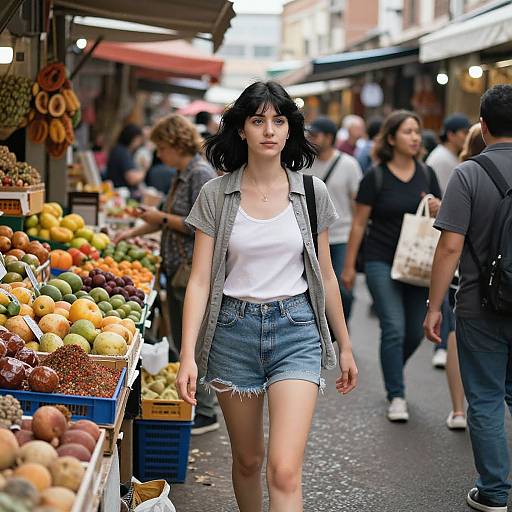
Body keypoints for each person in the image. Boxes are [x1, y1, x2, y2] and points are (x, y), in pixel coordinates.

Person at [176, 81, 358, 511]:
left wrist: (344, 345)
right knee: (247, 460)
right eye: (258, 121)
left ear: (290, 130)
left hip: (297, 331)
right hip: (232, 333)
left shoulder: (312, 193)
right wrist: (187, 354)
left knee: (283, 469)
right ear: (241, 129)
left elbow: (327, 276)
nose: (269, 130)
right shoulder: (215, 195)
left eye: (279, 121)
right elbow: (199, 279)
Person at [424, 84, 512, 512]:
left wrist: (435, 306)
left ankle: (494, 491)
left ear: (482, 124)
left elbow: (449, 248)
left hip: (479, 303)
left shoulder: (468, 174)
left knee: (486, 397)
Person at [114, 114, 219, 435]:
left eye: (161, 147)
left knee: (197, 341)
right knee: (182, 337)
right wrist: (128, 234)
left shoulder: (200, 175)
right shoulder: (180, 174)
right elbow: (163, 218)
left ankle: (206, 410)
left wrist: (158, 217)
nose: (158, 154)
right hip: (176, 270)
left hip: (192, 272)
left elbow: (199, 224)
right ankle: (196, 402)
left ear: (175, 144)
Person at [341, 110, 441, 422]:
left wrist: (440, 208)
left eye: (417, 131)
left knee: (414, 331)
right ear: (392, 137)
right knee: (394, 327)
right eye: (408, 131)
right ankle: (396, 394)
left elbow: (440, 219)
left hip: (418, 264)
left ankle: (393, 368)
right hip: (380, 261)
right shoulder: (376, 176)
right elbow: (358, 224)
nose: (415, 137)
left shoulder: (427, 174)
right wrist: (347, 267)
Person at [305, 116, 362, 321]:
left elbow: (357, 207)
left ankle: (340, 331)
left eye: (315, 135)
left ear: (329, 138)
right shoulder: (304, 163)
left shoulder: (349, 165)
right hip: (309, 237)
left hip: (340, 238)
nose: (310, 139)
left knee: (342, 289)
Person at [105, 124, 145, 198]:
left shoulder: (117, 150)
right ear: (133, 138)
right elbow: (131, 178)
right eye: (139, 140)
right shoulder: (123, 152)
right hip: (123, 194)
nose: (139, 143)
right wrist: (143, 171)